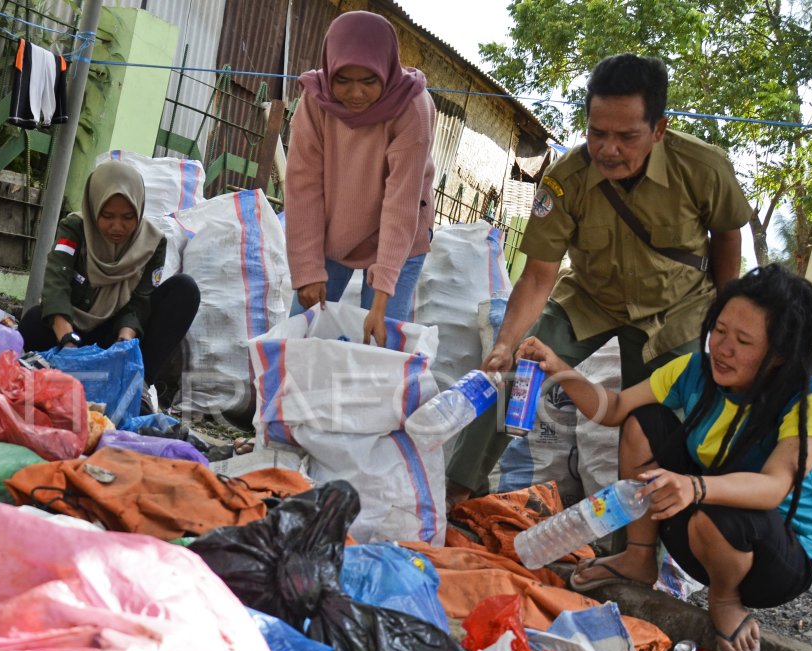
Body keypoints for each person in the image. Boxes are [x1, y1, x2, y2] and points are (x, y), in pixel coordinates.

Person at [446, 53, 753, 503]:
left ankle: (636, 545)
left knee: (656, 426)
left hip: (676, 311)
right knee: (520, 371)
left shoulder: (703, 168)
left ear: (659, 129)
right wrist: (505, 343)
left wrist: (721, 315)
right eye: (597, 133)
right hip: (590, 299)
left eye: (627, 136)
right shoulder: (566, 179)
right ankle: (459, 489)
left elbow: (727, 237)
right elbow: (536, 277)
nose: (608, 149)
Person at [515, 265, 812, 651]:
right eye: (719, 330)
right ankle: (638, 558)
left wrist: (695, 487)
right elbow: (614, 409)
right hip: (705, 529)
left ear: (780, 355)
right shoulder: (693, 369)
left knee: (719, 513)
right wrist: (558, 368)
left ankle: (725, 600)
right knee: (643, 424)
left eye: (743, 341)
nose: (723, 348)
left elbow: (774, 486)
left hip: (776, 559)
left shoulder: (811, 400)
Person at [284, 10, 435, 346]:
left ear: (387, 70)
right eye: (343, 79)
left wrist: (381, 300)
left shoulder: (412, 108)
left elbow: (400, 204)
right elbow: (302, 187)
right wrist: (308, 270)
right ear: (329, 69)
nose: (355, 94)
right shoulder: (315, 100)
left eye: (369, 81)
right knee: (300, 334)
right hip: (336, 229)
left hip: (400, 234)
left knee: (381, 344)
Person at [19, 160, 200, 401]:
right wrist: (67, 342)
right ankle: (65, 373)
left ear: (139, 209)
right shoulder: (75, 228)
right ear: (94, 209)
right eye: (107, 216)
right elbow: (56, 283)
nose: (118, 227)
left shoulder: (152, 243)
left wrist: (123, 344)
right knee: (32, 322)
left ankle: (137, 386)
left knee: (184, 290)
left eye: (127, 217)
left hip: (113, 339)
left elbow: (140, 302)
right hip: (73, 333)